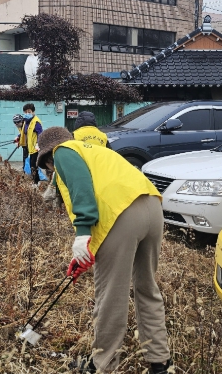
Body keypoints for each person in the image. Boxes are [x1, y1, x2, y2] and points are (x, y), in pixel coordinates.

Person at [36, 127, 172, 374]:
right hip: (152, 208)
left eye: (48, 166)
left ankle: (102, 365)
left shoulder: (63, 151)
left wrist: (82, 233)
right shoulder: (95, 151)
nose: (51, 170)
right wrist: (86, 252)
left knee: (111, 295)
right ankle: (159, 362)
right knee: (146, 287)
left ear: (47, 157)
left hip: (122, 215)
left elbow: (82, 188)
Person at [14, 104, 43, 185]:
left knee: (33, 165)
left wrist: (38, 143)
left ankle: (36, 183)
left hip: (35, 147)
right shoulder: (27, 122)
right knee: (32, 165)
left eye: (29, 112)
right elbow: (25, 132)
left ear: (33, 112)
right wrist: (18, 137)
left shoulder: (36, 122)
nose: (27, 113)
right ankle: (35, 181)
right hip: (30, 147)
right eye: (25, 112)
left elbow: (40, 133)